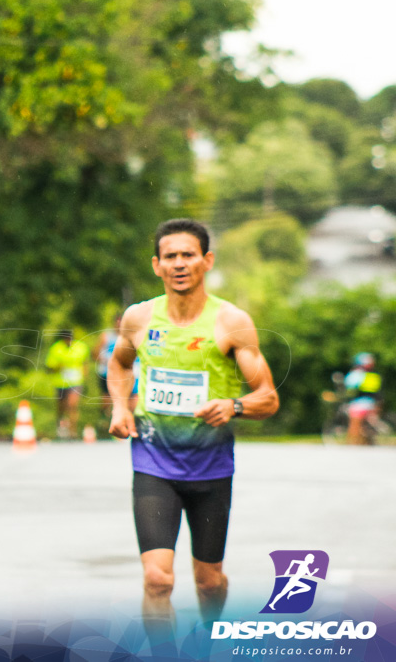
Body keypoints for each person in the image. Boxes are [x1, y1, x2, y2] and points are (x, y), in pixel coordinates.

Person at [107, 218, 279, 637]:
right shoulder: (140, 317)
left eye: (188, 255)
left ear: (207, 261)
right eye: (170, 256)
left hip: (211, 470)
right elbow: (119, 365)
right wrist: (119, 408)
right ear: (156, 265)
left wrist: (234, 405)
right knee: (158, 580)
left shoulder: (231, 322)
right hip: (154, 464)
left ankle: (207, 641)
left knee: (209, 582)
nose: (179, 264)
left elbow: (268, 397)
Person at [45, 330, 90, 438]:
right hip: (60, 382)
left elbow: (85, 362)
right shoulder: (56, 348)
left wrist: (85, 375)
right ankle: (60, 426)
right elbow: (50, 367)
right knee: (61, 407)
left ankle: (72, 431)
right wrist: (59, 366)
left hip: (76, 381)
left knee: (72, 405)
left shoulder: (81, 347)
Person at [344, 352, 381, 445]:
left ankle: (353, 442)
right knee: (368, 424)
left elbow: (349, 386)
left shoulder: (357, 374)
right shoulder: (374, 374)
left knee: (355, 423)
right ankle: (366, 441)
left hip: (360, 402)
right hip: (373, 402)